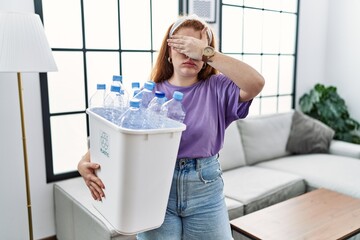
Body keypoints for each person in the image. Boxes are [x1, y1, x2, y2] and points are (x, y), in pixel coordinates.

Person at [78, 14, 264, 240]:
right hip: (153, 189)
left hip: (205, 190)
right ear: (168, 52)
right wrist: (84, 161)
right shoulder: (148, 94)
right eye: (182, 45)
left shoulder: (217, 88)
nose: (189, 54)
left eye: (196, 48)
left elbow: (256, 83)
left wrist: (208, 52)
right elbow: (122, 134)